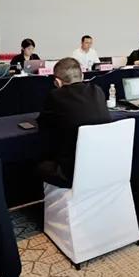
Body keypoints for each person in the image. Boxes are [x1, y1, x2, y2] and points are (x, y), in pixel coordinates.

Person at [36, 57, 111, 188]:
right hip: (104, 165)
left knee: (36, 164)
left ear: (57, 82)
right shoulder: (97, 90)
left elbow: (43, 124)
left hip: (71, 172)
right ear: (82, 76)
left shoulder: (55, 96)